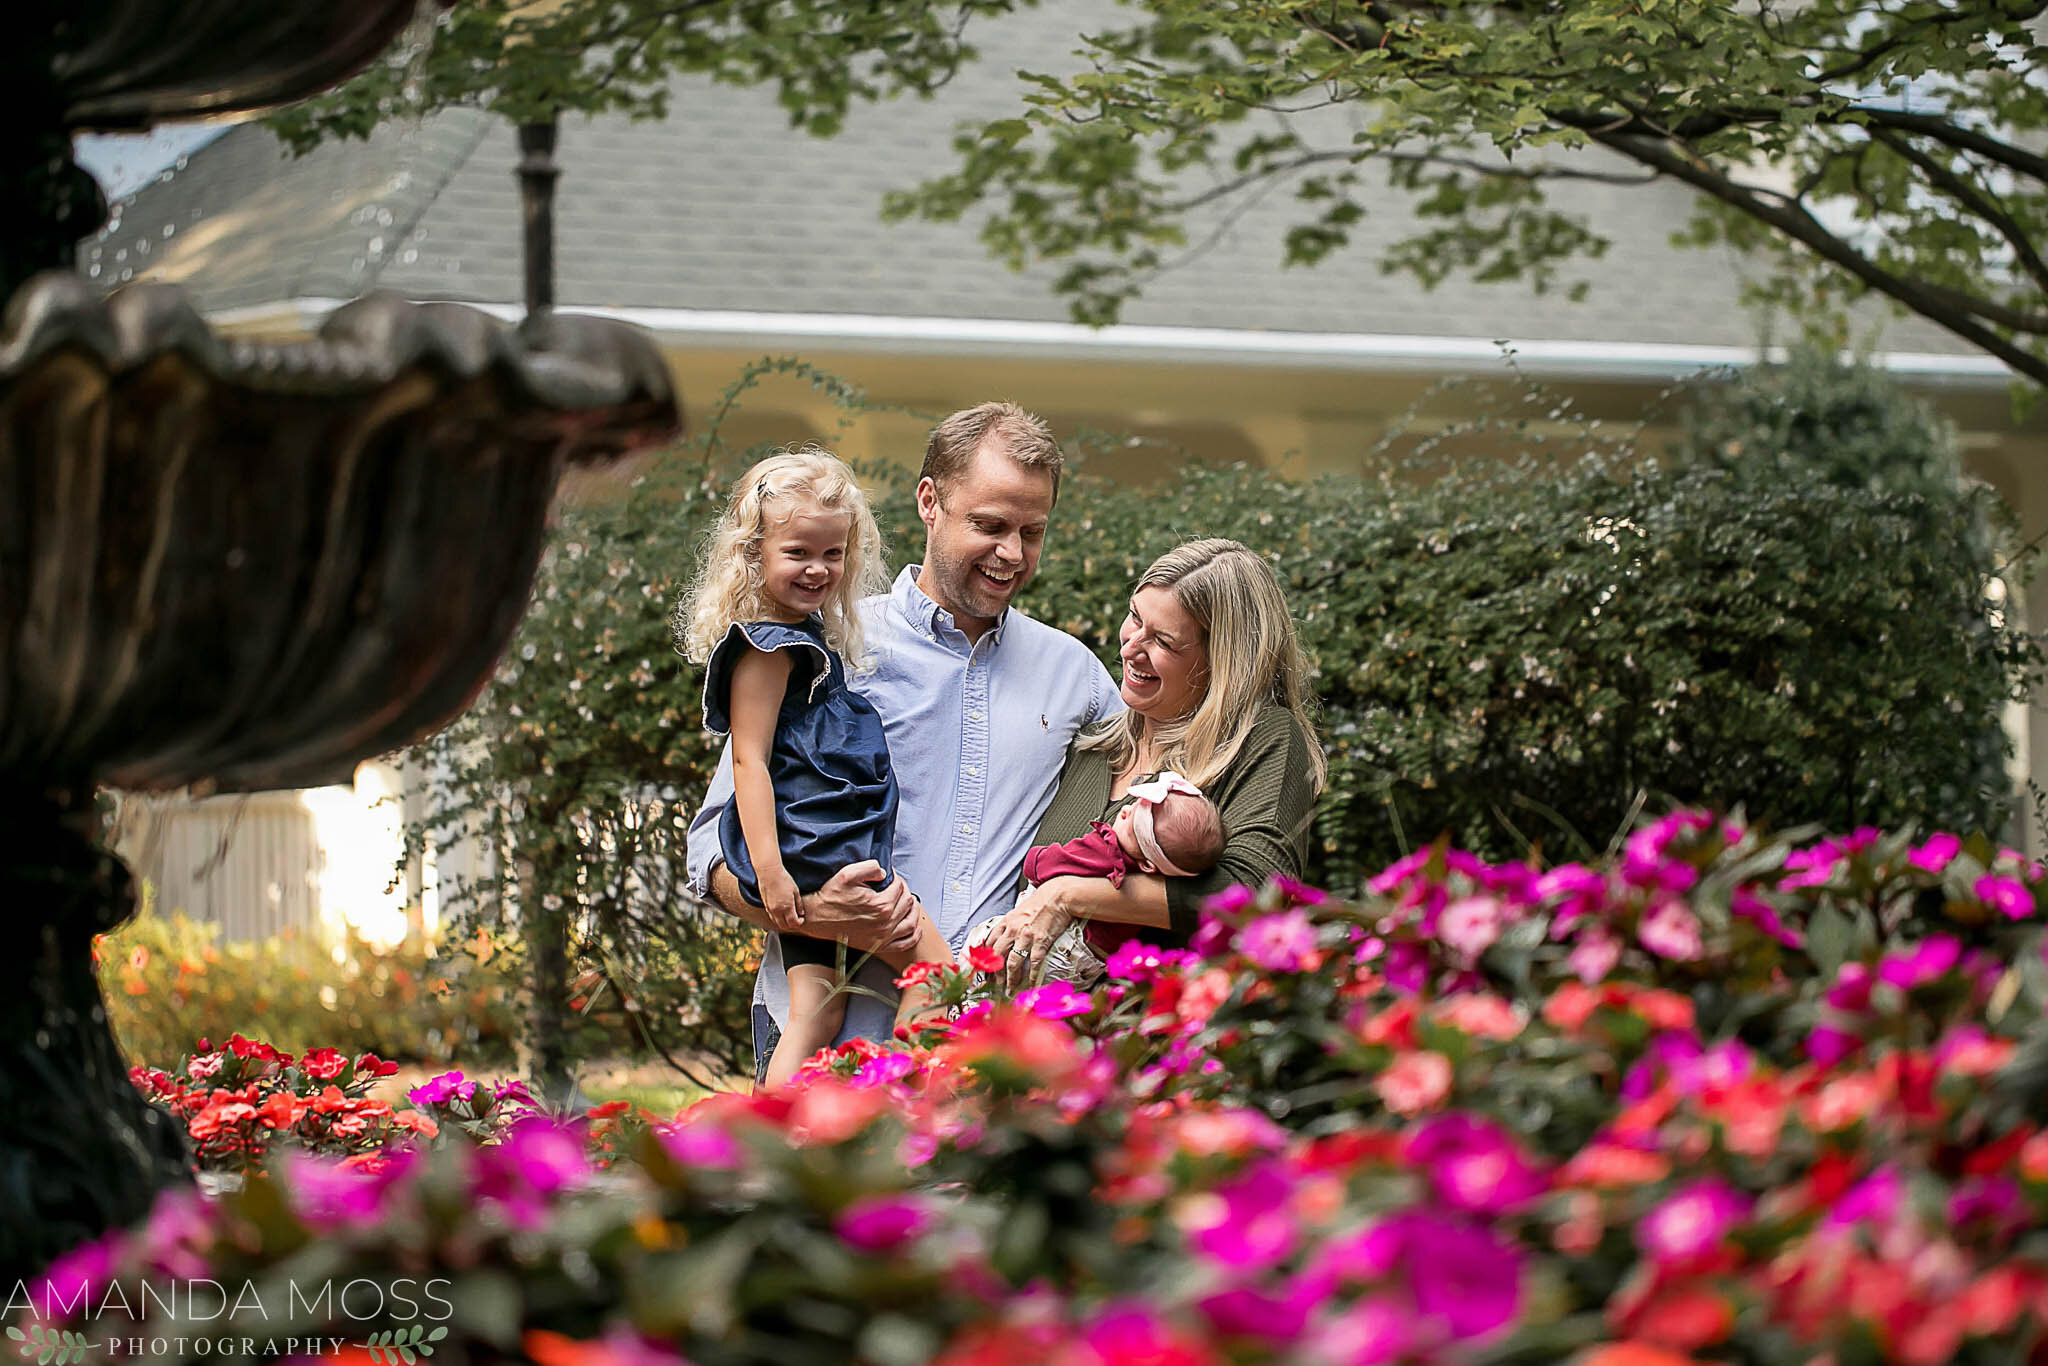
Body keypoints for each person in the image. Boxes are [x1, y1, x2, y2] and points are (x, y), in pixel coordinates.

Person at [685, 403, 1123, 1077]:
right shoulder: (828, 647)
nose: (1012, 552)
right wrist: (810, 910)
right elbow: (709, 853)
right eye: (989, 525)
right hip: (827, 1046)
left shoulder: (1078, 680)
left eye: (1032, 531)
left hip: (982, 1059)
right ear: (929, 502)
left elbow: (1131, 830)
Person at [674, 447, 955, 1086]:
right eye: (797, 552)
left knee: (816, 1014)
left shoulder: (802, 636)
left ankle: (772, 1137)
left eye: (832, 554)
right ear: (754, 553)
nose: (817, 569)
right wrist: (773, 879)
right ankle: (893, 1102)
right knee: (937, 976)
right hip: (816, 855)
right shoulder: (768, 649)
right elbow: (749, 760)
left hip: (815, 849)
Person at [979, 538, 1326, 985]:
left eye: (1162, 641)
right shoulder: (1091, 746)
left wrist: (1069, 895)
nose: (1129, 648)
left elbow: (1256, 890)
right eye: (1135, 619)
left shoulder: (1263, 739)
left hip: (1159, 1040)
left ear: (1222, 663)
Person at [972, 773, 1225, 985]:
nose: (1124, 810)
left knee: (982, 949)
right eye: (1133, 806)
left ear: (1149, 864)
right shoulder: (1153, 877)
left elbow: (1042, 865)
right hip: (1089, 967)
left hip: (1061, 947)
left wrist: (1036, 859)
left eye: (1131, 822)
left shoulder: (1105, 851)